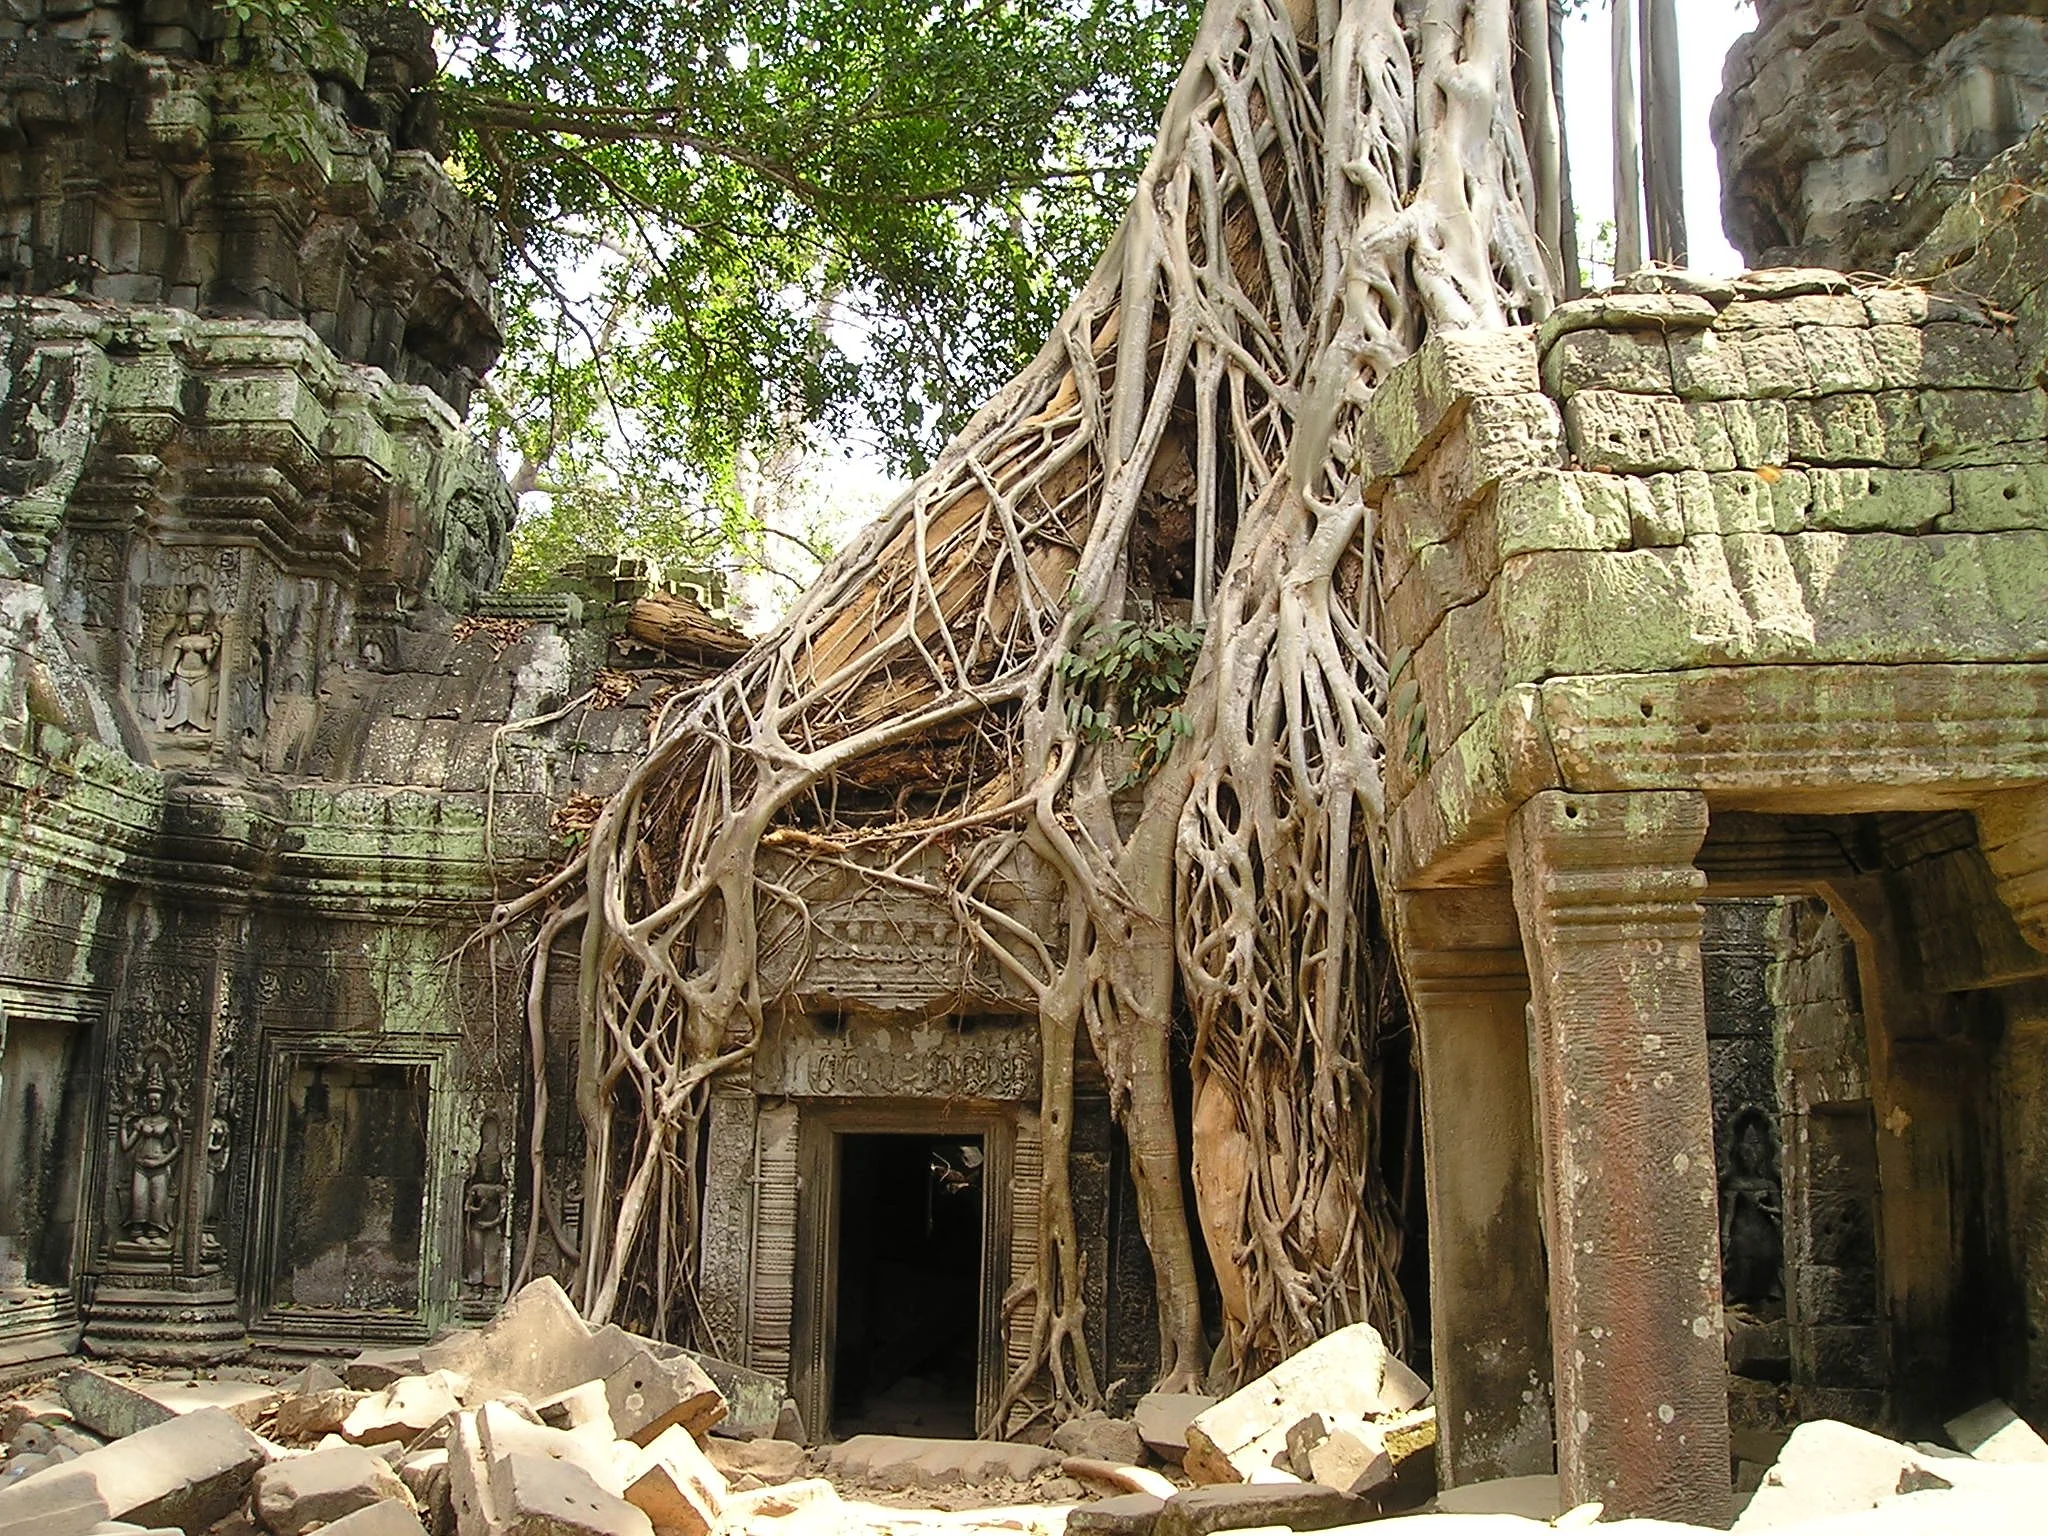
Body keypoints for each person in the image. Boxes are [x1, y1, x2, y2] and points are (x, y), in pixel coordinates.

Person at [158, 586, 222, 733]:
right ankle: (179, 725)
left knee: (199, 703)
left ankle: (197, 726)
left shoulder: (206, 640)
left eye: (197, 621)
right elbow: (175, 657)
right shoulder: (183, 639)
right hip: (182, 673)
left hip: (201, 674)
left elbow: (209, 660)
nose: (194, 623)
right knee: (182, 701)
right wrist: (170, 670)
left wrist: (216, 646)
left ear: (204, 623)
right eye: (191, 620)